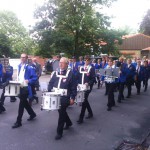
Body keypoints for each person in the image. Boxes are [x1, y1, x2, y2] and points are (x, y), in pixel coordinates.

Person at [48, 57, 77, 140]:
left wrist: (72, 97)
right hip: (55, 96)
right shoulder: (55, 73)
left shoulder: (71, 74)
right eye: (60, 62)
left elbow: (73, 87)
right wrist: (49, 91)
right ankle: (68, 122)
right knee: (61, 111)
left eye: (63, 63)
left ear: (67, 64)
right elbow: (50, 83)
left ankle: (59, 132)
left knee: (61, 113)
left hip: (65, 97)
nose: (60, 64)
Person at [12, 53, 37, 128]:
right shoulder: (19, 66)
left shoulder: (30, 67)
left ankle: (18, 121)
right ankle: (32, 114)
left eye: (24, 57)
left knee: (21, 104)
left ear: (26, 59)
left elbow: (34, 78)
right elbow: (20, 76)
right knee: (24, 102)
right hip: (19, 87)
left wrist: (29, 81)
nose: (22, 58)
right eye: (21, 57)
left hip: (26, 88)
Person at [77, 55, 95, 124]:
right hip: (81, 87)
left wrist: (88, 83)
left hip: (87, 87)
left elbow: (93, 78)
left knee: (84, 100)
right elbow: (78, 76)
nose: (86, 61)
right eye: (85, 60)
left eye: (88, 60)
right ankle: (90, 113)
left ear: (90, 60)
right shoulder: (81, 67)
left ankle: (81, 118)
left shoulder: (91, 68)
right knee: (85, 100)